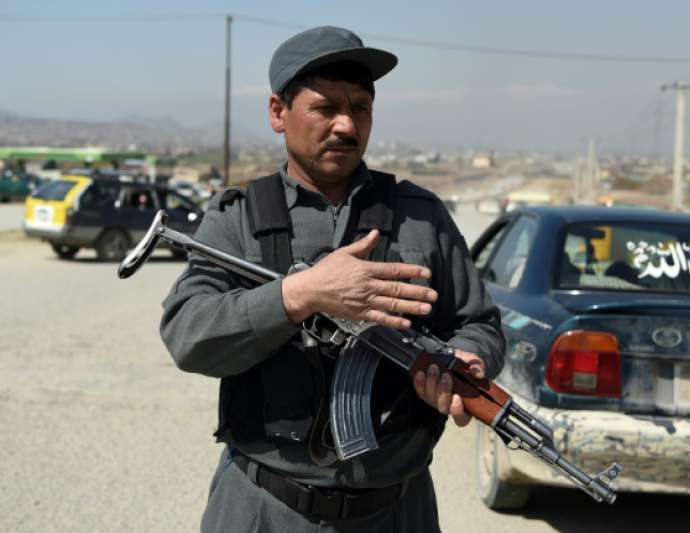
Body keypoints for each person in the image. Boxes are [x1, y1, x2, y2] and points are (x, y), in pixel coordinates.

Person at [160, 26, 504, 532]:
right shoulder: (238, 219)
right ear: (279, 112)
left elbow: (480, 323)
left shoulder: (420, 216)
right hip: (263, 508)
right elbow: (188, 336)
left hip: (395, 511)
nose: (347, 125)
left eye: (360, 107)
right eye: (326, 108)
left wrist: (468, 358)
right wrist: (300, 294)